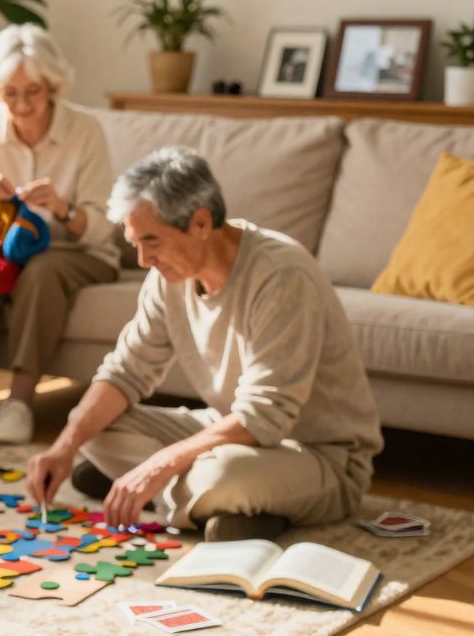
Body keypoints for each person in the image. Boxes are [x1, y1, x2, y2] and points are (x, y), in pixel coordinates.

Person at [25, 147, 383, 542]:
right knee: (88, 425)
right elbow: (127, 371)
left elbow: (265, 415)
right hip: (233, 433)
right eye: (134, 242)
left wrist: (161, 463)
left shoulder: (282, 276)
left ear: (200, 223)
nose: (143, 259)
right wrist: (63, 447)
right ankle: (210, 506)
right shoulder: (169, 276)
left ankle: (177, 492)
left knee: (222, 476)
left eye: (152, 240)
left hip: (318, 455)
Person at [0, 24, 119, 444]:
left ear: (52, 86)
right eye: (8, 93)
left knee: (41, 270)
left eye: (31, 92)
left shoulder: (84, 129)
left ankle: (19, 402)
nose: (20, 104)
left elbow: (104, 226)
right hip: (2, 248)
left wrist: (63, 209)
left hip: (74, 250)